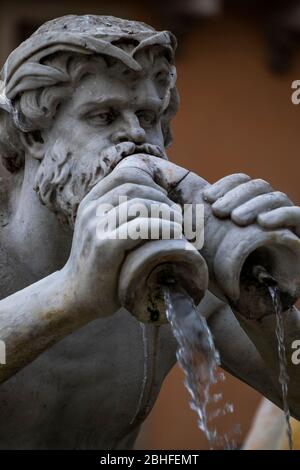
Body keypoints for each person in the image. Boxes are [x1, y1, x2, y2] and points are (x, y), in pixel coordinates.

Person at [0, 15, 299, 449]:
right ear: (33, 138)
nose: (136, 135)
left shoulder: (179, 264)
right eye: (102, 116)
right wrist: (69, 296)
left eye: (147, 115)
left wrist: (265, 294)